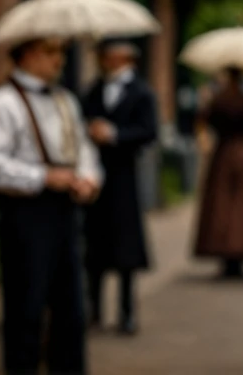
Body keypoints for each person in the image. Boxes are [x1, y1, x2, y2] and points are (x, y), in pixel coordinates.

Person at [0, 37, 102, 375]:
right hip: (24, 213)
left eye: (60, 51)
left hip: (64, 210)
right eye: (51, 52)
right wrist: (42, 177)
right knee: (25, 306)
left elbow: (84, 148)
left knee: (71, 306)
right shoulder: (2, 103)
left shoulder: (65, 99)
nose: (59, 60)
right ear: (28, 55)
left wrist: (88, 177)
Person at [81, 39, 158, 336]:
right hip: (96, 173)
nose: (107, 62)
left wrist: (114, 134)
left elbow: (147, 132)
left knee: (126, 249)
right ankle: (94, 310)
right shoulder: (95, 90)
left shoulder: (141, 93)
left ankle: (127, 313)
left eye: (112, 57)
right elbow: (82, 118)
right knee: (95, 247)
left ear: (126, 59)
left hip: (124, 176)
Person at [193, 68, 243, 278]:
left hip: (222, 156)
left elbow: (203, 121)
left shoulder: (217, 100)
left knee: (221, 204)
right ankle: (242, 249)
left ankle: (224, 252)